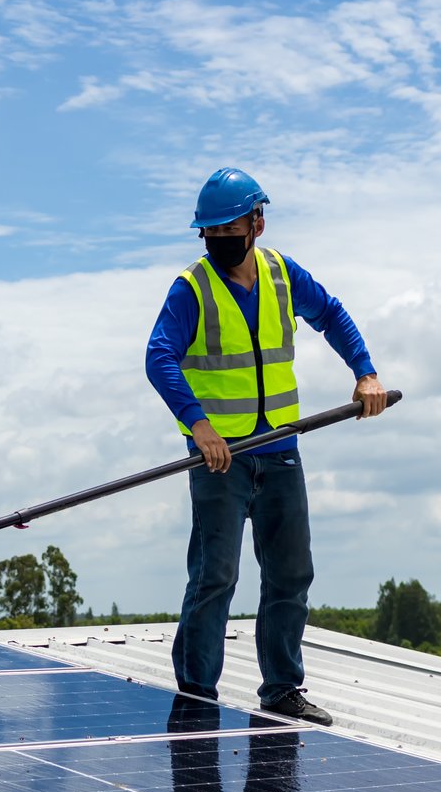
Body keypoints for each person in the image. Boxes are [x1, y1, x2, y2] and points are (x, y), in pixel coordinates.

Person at [144, 167, 386, 724]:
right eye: (211, 232)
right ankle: (196, 694)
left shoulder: (281, 273)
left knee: (290, 573)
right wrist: (199, 427)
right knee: (215, 577)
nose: (220, 240)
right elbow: (159, 358)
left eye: (230, 227)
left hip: (280, 452)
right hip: (219, 460)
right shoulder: (192, 289)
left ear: (257, 223)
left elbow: (331, 314)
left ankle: (282, 688)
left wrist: (366, 372)